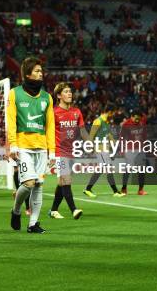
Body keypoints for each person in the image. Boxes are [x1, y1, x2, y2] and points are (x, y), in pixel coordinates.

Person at [9, 57, 55, 234]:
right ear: (27, 74)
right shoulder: (15, 93)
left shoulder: (47, 98)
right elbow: (11, 120)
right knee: (28, 183)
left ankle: (33, 224)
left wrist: (52, 152)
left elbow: (50, 126)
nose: (40, 73)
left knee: (38, 185)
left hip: (42, 147)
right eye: (36, 71)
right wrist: (13, 144)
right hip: (23, 146)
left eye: (41, 71)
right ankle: (16, 210)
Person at [48, 83, 86, 219]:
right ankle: (74, 210)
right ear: (59, 96)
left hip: (72, 151)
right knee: (66, 179)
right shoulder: (53, 112)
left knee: (61, 182)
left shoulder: (77, 112)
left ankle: (53, 210)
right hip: (59, 152)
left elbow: (82, 131)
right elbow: (48, 132)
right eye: (66, 91)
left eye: (70, 91)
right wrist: (50, 152)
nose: (69, 94)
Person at [83, 108, 126, 198]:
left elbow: (109, 135)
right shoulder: (97, 121)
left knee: (101, 170)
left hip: (105, 150)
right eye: (112, 113)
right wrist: (90, 147)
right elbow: (91, 135)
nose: (113, 115)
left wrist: (115, 145)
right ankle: (115, 191)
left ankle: (87, 189)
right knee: (108, 169)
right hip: (100, 149)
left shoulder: (106, 122)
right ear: (108, 112)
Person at [121, 109, 148, 195]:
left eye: (139, 118)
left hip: (140, 149)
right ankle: (124, 189)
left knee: (141, 169)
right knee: (128, 169)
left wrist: (145, 144)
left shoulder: (142, 121)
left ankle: (141, 190)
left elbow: (144, 134)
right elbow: (122, 137)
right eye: (136, 118)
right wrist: (122, 149)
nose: (138, 120)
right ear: (132, 116)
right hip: (130, 149)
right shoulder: (126, 124)